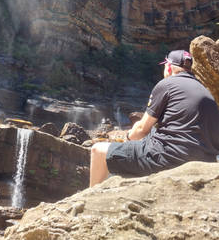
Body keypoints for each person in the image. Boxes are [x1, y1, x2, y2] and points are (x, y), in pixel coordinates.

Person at [90, 50, 219, 187]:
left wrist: (127, 137)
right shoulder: (206, 92)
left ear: (168, 67)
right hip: (205, 161)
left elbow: (141, 130)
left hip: (170, 159)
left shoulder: (167, 84)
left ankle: (89, 202)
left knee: (98, 150)